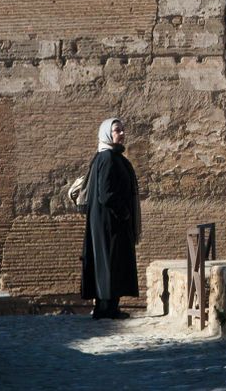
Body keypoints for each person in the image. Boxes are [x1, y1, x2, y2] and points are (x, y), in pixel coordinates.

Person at [80, 117, 139, 320]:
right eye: (116, 130)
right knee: (110, 262)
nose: (121, 133)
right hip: (110, 222)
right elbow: (106, 194)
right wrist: (124, 213)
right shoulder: (107, 158)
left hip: (108, 221)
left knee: (108, 262)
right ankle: (108, 308)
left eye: (122, 130)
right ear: (107, 133)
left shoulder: (108, 157)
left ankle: (105, 307)